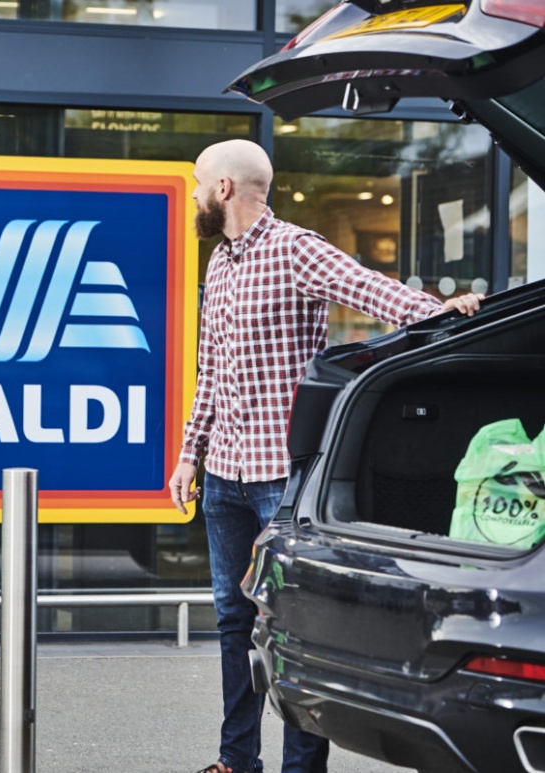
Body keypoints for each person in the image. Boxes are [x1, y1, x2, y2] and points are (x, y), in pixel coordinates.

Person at [168, 139, 482, 773]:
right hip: (226, 475)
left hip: (284, 477)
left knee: (292, 627)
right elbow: (211, 371)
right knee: (234, 620)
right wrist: (189, 453)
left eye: (200, 182)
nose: (195, 193)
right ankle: (236, 760)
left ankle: (300, 769)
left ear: (225, 188)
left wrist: (438, 312)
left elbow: (367, 288)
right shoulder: (222, 263)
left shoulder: (294, 249)